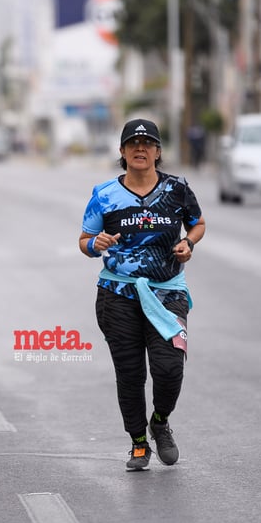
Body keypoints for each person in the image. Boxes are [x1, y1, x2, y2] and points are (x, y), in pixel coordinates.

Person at [78, 118, 206, 471]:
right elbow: (84, 241)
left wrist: (187, 242)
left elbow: (198, 223)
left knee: (169, 370)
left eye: (147, 143)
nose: (140, 148)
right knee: (130, 374)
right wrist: (95, 243)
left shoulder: (177, 189)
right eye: (132, 143)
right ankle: (137, 442)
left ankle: (160, 422)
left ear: (157, 151)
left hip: (167, 294)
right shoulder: (104, 194)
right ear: (121, 151)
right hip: (117, 295)